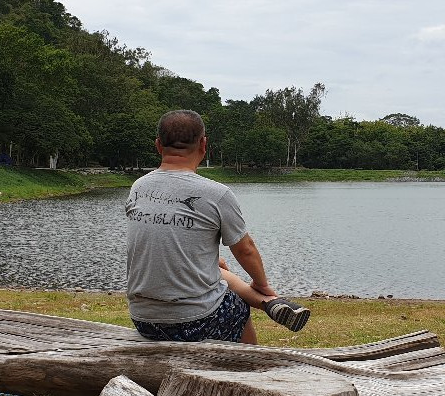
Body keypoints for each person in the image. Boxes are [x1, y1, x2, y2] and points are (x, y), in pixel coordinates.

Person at [125, 109, 309, 343]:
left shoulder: (138, 187)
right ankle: (250, 362)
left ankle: (270, 305)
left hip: (144, 319)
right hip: (191, 321)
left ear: (158, 146)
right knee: (237, 305)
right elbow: (245, 249)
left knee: (218, 269)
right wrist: (262, 285)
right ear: (203, 144)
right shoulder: (216, 194)